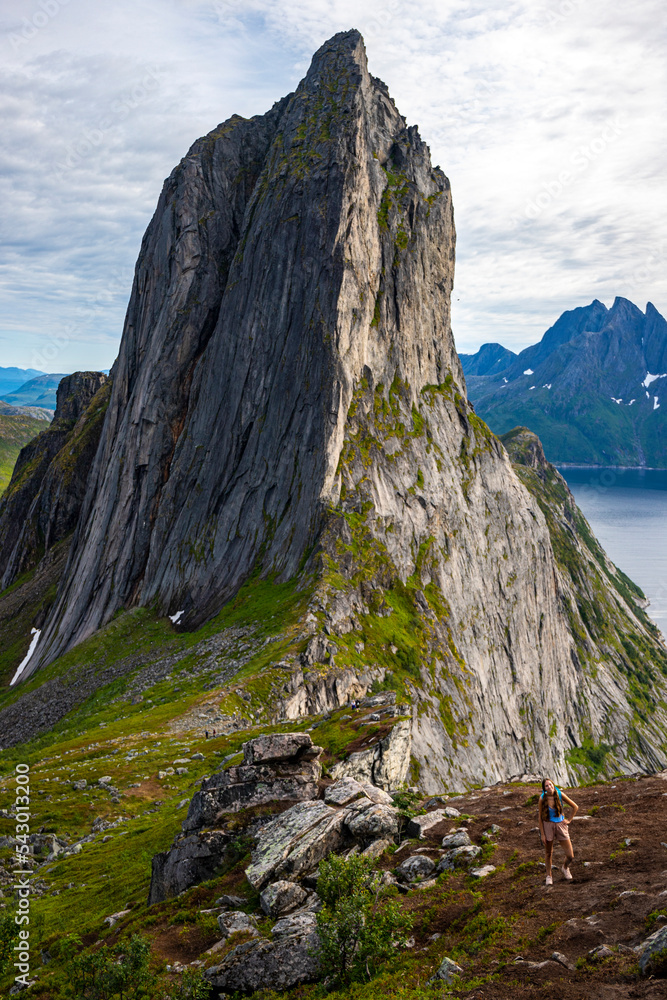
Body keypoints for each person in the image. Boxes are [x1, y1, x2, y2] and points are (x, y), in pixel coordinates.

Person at [538, 777, 578, 885]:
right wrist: (542, 834)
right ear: (544, 788)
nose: (549, 787)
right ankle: (549, 876)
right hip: (548, 826)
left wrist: (569, 820)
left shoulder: (559, 794)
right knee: (548, 853)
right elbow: (540, 818)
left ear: (553, 785)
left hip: (561, 825)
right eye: (546, 786)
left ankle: (565, 868)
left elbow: (575, 807)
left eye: (550, 785)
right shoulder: (542, 798)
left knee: (570, 855)